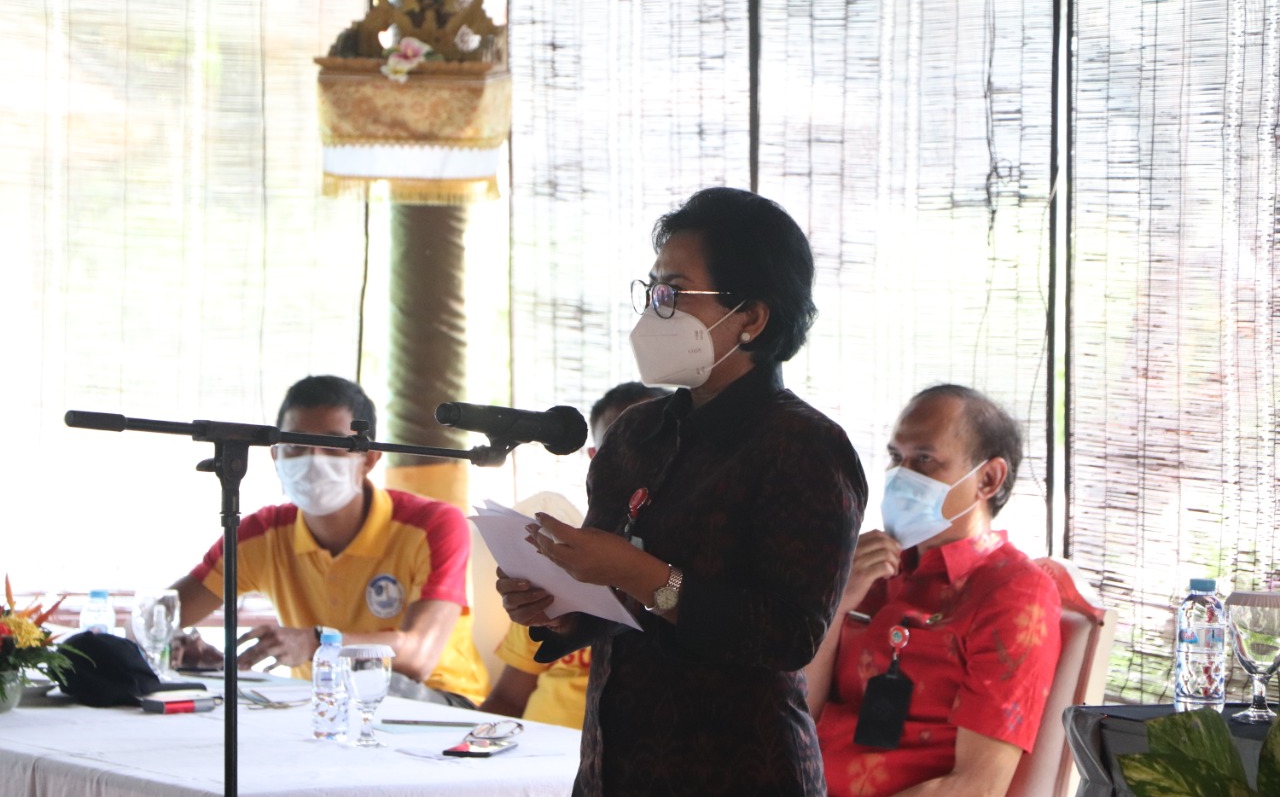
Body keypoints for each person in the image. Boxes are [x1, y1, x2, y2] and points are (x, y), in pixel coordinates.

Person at [499, 187, 869, 795]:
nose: (654, 310)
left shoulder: (804, 446)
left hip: (738, 768)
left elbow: (790, 634)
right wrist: (557, 606)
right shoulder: (636, 432)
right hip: (614, 763)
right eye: (651, 291)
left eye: (673, 292)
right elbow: (609, 600)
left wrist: (646, 575)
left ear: (750, 317)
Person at [168, 374, 488, 707]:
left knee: (369, 684)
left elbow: (419, 658)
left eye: (333, 445)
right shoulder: (262, 534)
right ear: (276, 457)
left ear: (368, 459)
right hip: (319, 708)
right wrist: (183, 651)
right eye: (295, 445)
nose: (313, 459)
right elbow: (162, 616)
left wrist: (317, 642)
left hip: (439, 705)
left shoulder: (433, 525)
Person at [805, 384, 1062, 797]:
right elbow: (797, 712)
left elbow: (976, 786)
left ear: (988, 479)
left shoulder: (1014, 593)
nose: (901, 477)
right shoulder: (868, 571)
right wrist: (835, 603)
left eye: (924, 459)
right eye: (896, 458)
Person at [479, 381, 666, 728]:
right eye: (618, 446)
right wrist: (552, 617)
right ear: (597, 459)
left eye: (652, 443)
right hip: (536, 750)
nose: (637, 459)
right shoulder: (559, 559)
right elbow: (508, 698)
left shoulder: (700, 555)